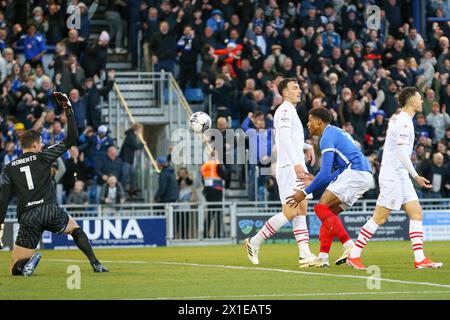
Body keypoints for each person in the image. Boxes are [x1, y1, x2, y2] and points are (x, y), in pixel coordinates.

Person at [0, 92, 108, 276]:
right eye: (40, 143)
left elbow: (3, 198)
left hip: (28, 216)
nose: (41, 146)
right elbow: (71, 138)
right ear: (34, 145)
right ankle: (95, 263)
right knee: (75, 229)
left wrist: (0, 224)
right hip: (49, 210)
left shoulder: (8, 168)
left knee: (14, 270)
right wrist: (68, 109)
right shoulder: (42, 156)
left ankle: (28, 264)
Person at [347, 87, 443, 270]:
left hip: (400, 175)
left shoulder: (399, 119)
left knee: (416, 213)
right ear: (412, 101)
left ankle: (420, 259)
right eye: (420, 98)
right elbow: (400, 152)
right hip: (393, 175)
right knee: (380, 217)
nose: (422, 101)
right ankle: (354, 255)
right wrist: (416, 176)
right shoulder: (404, 123)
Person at [286, 107, 373, 267]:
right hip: (363, 175)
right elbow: (338, 170)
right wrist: (316, 179)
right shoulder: (336, 132)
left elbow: (326, 173)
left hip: (355, 172)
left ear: (320, 121)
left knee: (320, 208)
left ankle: (349, 247)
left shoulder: (326, 137)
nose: (308, 124)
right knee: (329, 213)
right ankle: (323, 257)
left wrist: (304, 192)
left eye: (310, 120)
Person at [244, 78, 316, 266]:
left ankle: (304, 253)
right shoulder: (283, 110)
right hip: (290, 167)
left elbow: (291, 139)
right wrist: (295, 163)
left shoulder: (291, 111)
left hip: (296, 164)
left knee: (301, 209)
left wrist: (307, 146)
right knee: (291, 211)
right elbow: (283, 138)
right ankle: (254, 241)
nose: (299, 90)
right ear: (284, 93)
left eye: (299, 87)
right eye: (295, 88)